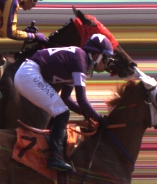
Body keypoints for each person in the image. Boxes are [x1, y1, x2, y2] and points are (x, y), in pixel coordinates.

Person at [10, 34, 120, 174]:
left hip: (27, 74)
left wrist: (85, 113)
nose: (106, 65)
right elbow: (81, 99)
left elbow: (66, 98)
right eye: (106, 58)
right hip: (29, 74)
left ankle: (55, 153)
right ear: (96, 55)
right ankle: (55, 157)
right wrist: (98, 118)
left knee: (61, 111)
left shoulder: (79, 59)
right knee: (62, 113)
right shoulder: (80, 61)